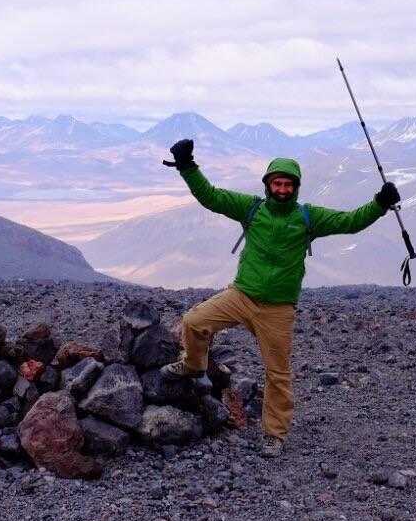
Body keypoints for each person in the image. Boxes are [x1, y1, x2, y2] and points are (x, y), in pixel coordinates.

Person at [159, 138, 400, 457]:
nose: (282, 189)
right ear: (268, 185)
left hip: (278, 309)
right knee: (194, 321)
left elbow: (350, 222)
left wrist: (380, 204)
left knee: (278, 374)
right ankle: (193, 364)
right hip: (241, 296)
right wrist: (187, 166)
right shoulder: (251, 208)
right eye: (277, 183)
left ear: (295, 187)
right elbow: (211, 197)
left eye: (288, 184)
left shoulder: (308, 217)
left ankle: (274, 434)